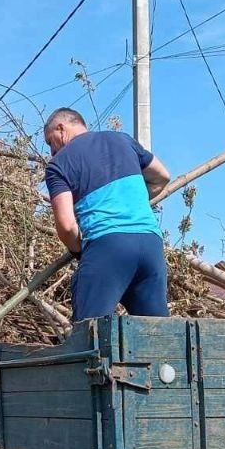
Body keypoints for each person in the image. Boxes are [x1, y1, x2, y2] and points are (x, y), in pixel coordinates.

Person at [42, 107, 172, 322]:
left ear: (61, 128)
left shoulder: (59, 163)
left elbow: (66, 226)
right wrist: (133, 201)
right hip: (151, 245)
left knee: (89, 334)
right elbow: (162, 177)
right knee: (157, 335)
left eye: (50, 141)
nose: (52, 151)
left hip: (107, 246)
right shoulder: (122, 140)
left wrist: (80, 251)